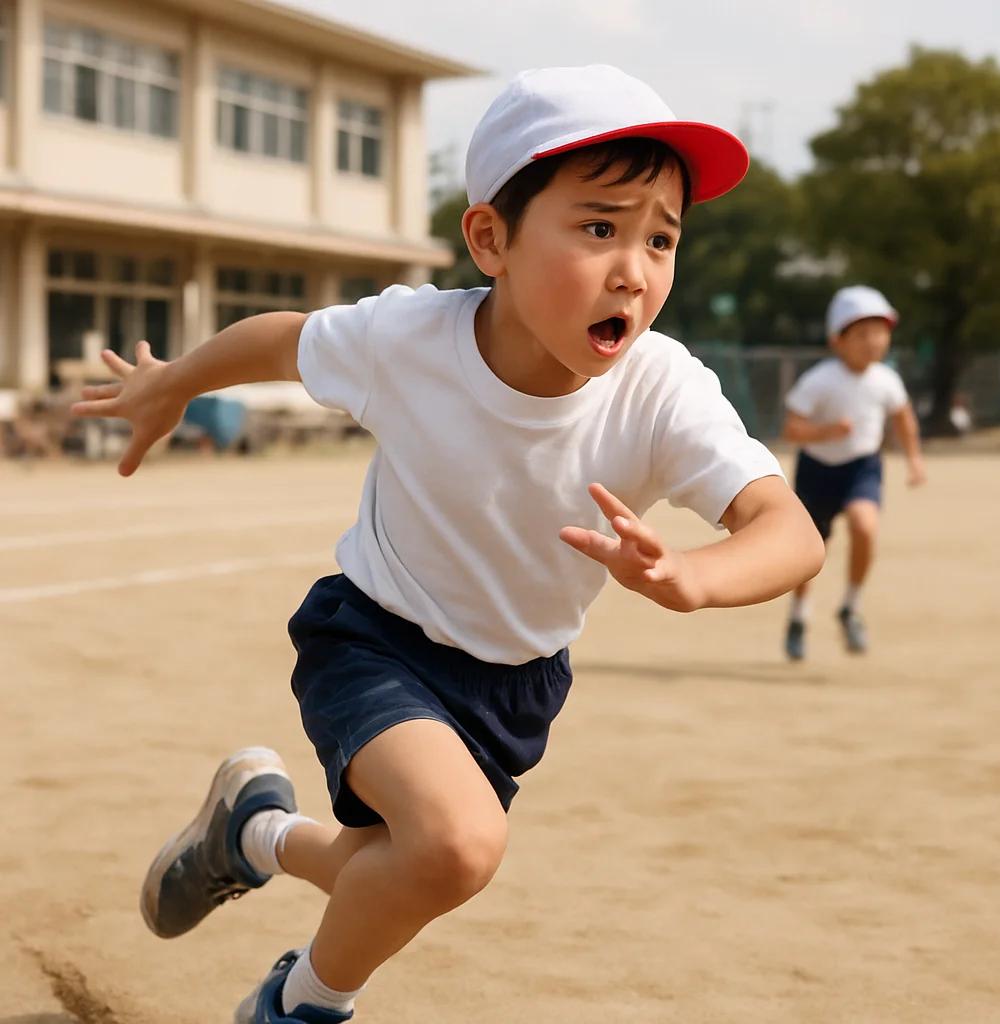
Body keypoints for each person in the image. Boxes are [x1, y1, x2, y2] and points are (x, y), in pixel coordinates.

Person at [73, 65, 824, 1024]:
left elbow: (787, 529)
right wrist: (174, 383)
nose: (635, 268)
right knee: (456, 846)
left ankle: (252, 834)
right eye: (600, 227)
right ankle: (297, 1007)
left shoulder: (662, 390)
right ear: (491, 238)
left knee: (406, 869)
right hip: (374, 639)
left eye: (662, 237)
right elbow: (281, 340)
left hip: (514, 683)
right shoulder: (413, 338)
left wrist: (691, 576)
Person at [781, 285, 926, 661]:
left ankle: (850, 606)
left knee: (865, 526)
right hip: (817, 471)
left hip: (863, 466)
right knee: (810, 554)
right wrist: (826, 432)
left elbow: (903, 418)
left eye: (880, 333)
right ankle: (798, 616)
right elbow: (792, 429)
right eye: (862, 334)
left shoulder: (886, 380)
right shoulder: (819, 380)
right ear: (837, 341)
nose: (874, 342)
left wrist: (914, 459)